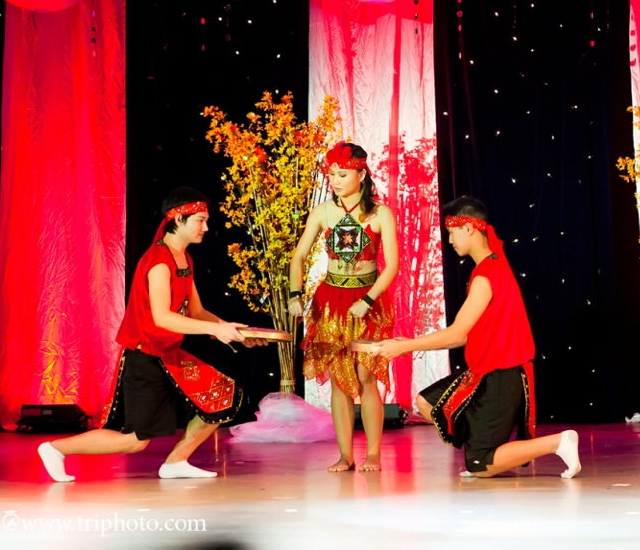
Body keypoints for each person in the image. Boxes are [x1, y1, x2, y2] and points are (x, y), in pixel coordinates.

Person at [37, 187, 265, 482]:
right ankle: (55, 449)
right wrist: (215, 330)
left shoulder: (184, 259)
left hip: (169, 353)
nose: (206, 228)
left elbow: (195, 312)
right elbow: (163, 317)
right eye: (200, 220)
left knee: (223, 398)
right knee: (135, 440)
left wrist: (236, 330)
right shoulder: (159, 261)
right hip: (145, 355)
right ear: (178, 219)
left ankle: (175, 462)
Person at [372, 196, 581, 479]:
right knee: (427, 402)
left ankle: (555, 443)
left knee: (479, 466)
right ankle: (481, 451)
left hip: (501, 376)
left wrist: (404, 347)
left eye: (451, 231)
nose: (449, 239)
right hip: (486, 371)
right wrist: (404, 344)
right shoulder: (492, 264)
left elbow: (457, 334)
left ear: (469, 228)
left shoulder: (486, 275)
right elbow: (462, 337)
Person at [287, 142, 398, 472]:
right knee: (339, 379)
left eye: (342, 174)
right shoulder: (322, 213)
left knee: (366, 375)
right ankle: (345, 454)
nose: (335, 180)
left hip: (369, 300)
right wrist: (295, 294)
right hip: (330, 301)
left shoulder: (380, 214)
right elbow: (299, 256)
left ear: (361, 175)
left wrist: (367, 300)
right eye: (332, 174)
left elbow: (391, 266)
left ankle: (374, 452)